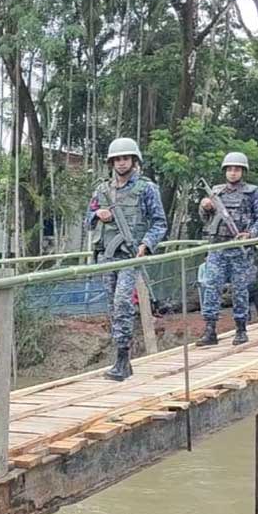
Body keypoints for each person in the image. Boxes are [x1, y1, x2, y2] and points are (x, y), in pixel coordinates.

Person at [86, 137, 168, 378]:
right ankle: (121, 358)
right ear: (111, 162)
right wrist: (97, 215)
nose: (121, 163)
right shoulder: (102, 190)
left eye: (126, 158)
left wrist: (146, 244)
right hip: (107, 256)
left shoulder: (146, 188)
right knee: (113, 306)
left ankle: (123, 358)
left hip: (130, 256)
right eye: (117, 159)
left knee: (123, 302)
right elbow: (87, 219)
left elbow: (160, 223)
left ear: (134, 160)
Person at [196, 152, 258, 346]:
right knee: (211, 287)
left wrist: (250, 234)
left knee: (240, 289)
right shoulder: (216, 192)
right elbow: (206, 220)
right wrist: (205, 207)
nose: (233, 173)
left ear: (243, 171)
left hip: (239, 249)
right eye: (229, 169)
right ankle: (210, 329)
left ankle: (241, 328)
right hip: (217, 247)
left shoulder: (253, 193)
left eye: (236, 169)